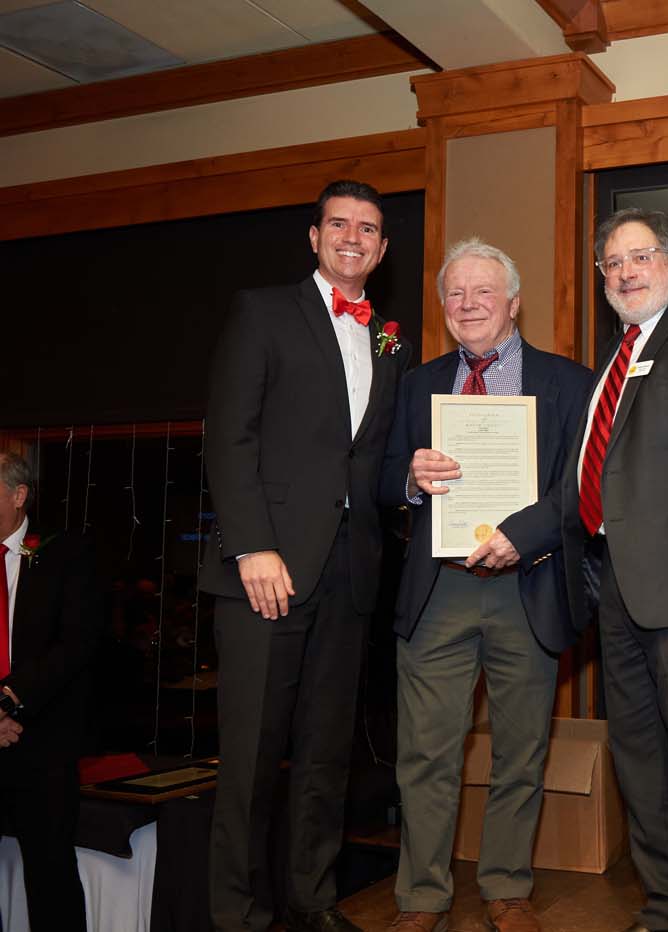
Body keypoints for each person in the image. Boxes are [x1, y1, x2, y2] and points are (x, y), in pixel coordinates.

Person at [499, 207, 668, 932]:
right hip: (616, 592)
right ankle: (665, 905)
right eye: (612, 264)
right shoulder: (615, 363)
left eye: (640, 257)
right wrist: (511, 536)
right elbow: (578, 489)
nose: (625, 272)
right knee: (642, 759)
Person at [201, 179, 410, 932]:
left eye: (369, 228)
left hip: (350, 575)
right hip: (269, 571)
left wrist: (413, 479)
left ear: (383, 249)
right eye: (340, 224)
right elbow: (230, 436)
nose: (353, 236)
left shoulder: (390, 335)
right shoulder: (262, 312)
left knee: (324, 759)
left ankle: (313, 902)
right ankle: (238, 915)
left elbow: (371, 458)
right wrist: (252, 544)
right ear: (315, 237)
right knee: (252, 761)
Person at [380, 239, 590, 932]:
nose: (468, 305)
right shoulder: (416, 384)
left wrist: (522, 536)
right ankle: (421, 896)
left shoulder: (568, 382)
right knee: (425, 753)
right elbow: (382, 478)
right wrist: (411, 477)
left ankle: (506, 885)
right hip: (437, 589)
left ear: (514, 302)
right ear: (443, 307)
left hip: (526, 585)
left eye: (483, 293)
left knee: (522, 750)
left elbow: (583, 489)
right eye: (455, 295)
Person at [0, 451, 101, 932]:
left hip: (40, 742)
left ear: (18, 496)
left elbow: (78, 643)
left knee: (50, 876)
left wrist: (10, 699)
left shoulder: (65, 552)